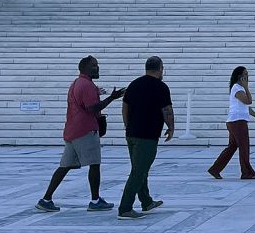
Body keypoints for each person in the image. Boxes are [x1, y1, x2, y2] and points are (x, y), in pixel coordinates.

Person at [36, 55, 124, 213]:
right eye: (94, 65)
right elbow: (92, 108)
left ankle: (46, 199)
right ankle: (95, 200)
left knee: (64, 166)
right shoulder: (86, 85)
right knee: (94, 164)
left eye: (97, 65)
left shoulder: (77, 83)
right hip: (85, 130)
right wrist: (112, 97)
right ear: (84, 68)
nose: (97, 67)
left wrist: (98, 92)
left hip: (72, 130)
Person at [118, 56, 173, 220]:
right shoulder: (161, 87)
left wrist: (128, 126)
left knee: (140, 168)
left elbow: (125, 107)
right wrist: (171, 127)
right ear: (161, 69)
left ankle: (146, 202)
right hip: (147, 136)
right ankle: (125, 208)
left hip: (132, 134)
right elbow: (167, 109)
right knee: (138, 171)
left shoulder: (134, 84)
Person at [207, 66, 255, 180]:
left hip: (236, 121)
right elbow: (248, 101)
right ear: (239, 76)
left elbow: (245, 107)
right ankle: (247, 173)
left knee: (232, 147)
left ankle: (215, 169)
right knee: (244, 147)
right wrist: (247, 88)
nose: (247, 76)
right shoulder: (237, 88)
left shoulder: (239, 88)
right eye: (245, 74)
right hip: (237, 122)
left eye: (247, 74)